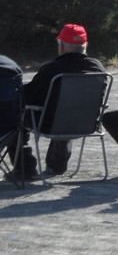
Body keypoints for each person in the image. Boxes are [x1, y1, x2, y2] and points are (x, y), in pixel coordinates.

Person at [12, 24, 106, 179]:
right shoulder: (98, 68)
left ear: (61, 46)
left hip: (50, 124)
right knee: (68, 109)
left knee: (16, 114)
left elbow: (28, 97)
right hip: (87, 123)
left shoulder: (52, 69)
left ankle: (25, 167)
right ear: (86, 45)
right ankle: (57, 165)